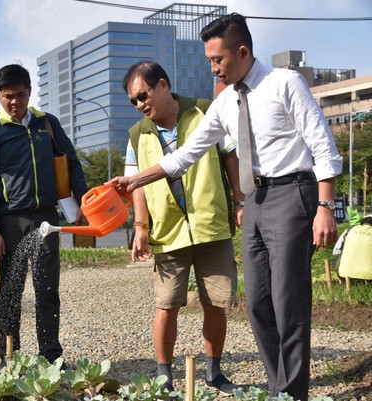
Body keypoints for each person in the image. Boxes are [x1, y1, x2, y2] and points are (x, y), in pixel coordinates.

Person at [110, 13, 342, 401]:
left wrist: (325, 205)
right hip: (254, 202)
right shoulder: (224, 102)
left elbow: (322, 146)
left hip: (291, 194)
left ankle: (292, 393)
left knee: (289, 303)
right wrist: (135, 180)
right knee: (257, 305)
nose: (213, 67)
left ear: (243, 51)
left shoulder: (285, 84)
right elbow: (185, 155)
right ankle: (278, 387)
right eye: (208, 61)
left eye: (217, 60)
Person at [122, 61, 241, 394]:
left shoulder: (206, 111)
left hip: (211, 224)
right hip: (167, 230)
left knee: (215, 303)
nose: (139, 105)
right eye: (133, 101)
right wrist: (141, 227)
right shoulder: (136, 135)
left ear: (162, 85)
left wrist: (240, 200)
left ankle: (214, 372)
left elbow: (230, 155)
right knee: (166, 304)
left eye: (142, 95)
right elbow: (137, 185)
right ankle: (164, 377)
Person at [0, 64, 87, 367]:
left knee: (48, 288)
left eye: (20, 95)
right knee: (10, 290)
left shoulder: (46, 123)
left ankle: (51, 356)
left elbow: (71, 163)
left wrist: (83, 203)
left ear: (29, 91)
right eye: (8, 96)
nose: (15, 102)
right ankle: (9, 357)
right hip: (10, 219)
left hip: (47, 217)